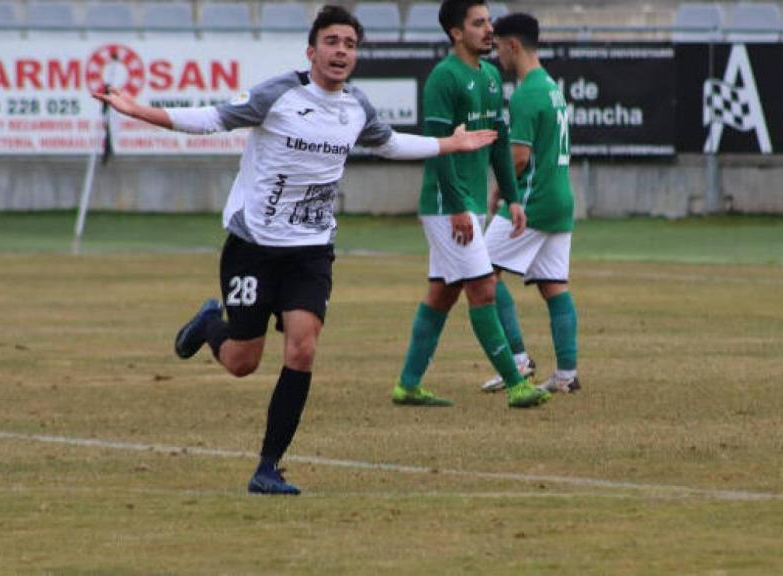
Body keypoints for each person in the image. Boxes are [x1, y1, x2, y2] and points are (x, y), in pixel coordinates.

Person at [93, 5, 498, 495]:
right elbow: (212, 119)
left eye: (349, 44)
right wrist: (140, 111)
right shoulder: (278, 93)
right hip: (254, 247)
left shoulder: (356, 108)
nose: (340, 52)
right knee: (243, 362)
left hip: (311, 251)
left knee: (302, 348)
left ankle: (268, 466)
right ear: (312, 51)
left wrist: (448, 146)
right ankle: (209, 325)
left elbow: (389, 144)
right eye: (332, 42)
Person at [391, 0, 551, 409]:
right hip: (448, 205)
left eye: (489, 22)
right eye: (478, 23)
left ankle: (408, 385)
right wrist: (459, 206)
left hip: (472, 202)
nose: (488, 29)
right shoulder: (443, 78)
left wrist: (513, 198)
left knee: (442, 294)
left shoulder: (493, 76)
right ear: (455, 33)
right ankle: (517, 384)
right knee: (483, 287)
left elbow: (498, 143)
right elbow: (437, 149)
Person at [480, 12, 579, 395]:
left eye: (498, 46)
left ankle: (517, 360)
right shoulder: (551, 87)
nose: (497, 55)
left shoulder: (526, 93)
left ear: (513, 45)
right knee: (554, 286)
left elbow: (519, 158)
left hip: (533, 200)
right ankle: (567, 375)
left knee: (482, 274)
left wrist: (501, 190)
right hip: (560, 200)